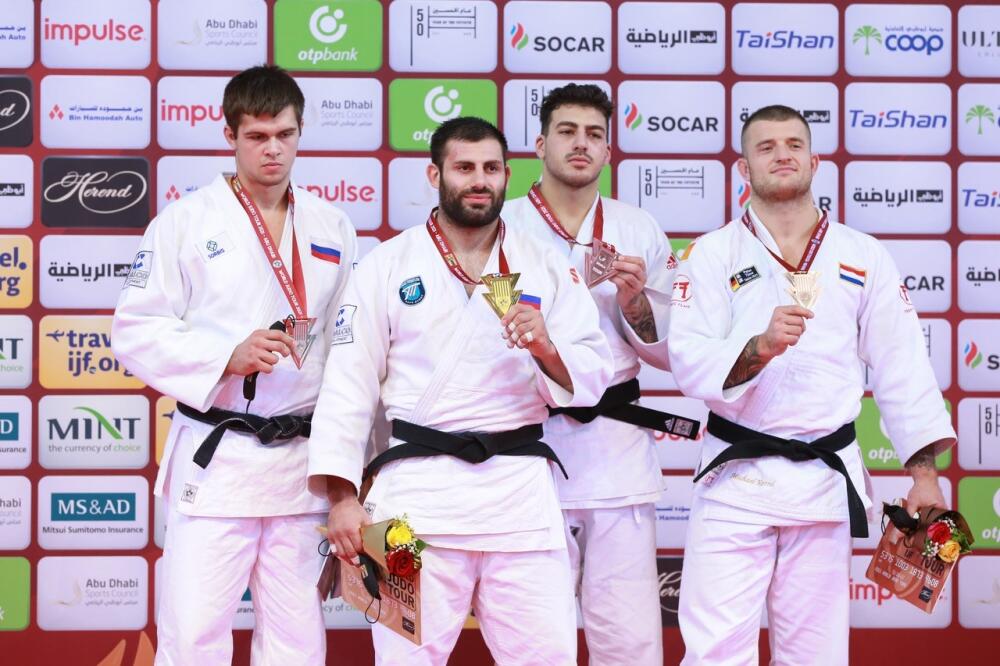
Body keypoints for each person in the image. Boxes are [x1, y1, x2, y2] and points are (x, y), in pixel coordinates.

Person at [307, 117, 613, 665]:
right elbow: (346, 388)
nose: (479, 180)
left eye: (491, 169)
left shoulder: (546, 266)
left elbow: (592, 378)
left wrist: (546, 347)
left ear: (507, 177)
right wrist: (342, 496)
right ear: (435, 174)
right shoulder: (386, 266)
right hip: (410, 503)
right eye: (465, 168)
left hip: (520, 499)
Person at [667, 105, 955, 665]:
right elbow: (689, 359)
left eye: (794, 144)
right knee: (715, 653)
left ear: (815, 161)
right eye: (767, 146)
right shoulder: (709, 254)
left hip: (822, 484)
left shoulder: (862, 254)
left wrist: (924, 477)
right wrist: (759, 347)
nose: (782, 154)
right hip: (736, 480)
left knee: (815, 655)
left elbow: (903, 367)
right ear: (743, 169)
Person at [112, 65, 357, 666]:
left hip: (301, 466)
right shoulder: (184, 223)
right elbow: (133, 330)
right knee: (194, 635)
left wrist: (352, 472)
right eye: (257, 136)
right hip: (219, 458)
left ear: (301, 133)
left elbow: (349, 345)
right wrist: (225, 356)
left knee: (297, 640)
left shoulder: (332, 225)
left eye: (285, 134)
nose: (273, 149)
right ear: (229, 135)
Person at [503, 83, 689, 666]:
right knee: (538, 635)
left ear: (609, 151)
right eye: (567, 131)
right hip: (528, 441)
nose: (581, 144)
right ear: (539, 143)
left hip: (615, 449)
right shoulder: (503, 225)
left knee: (629, 637)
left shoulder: (639, 228)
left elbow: (673, 352)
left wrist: (634, 303)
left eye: (595, 134)